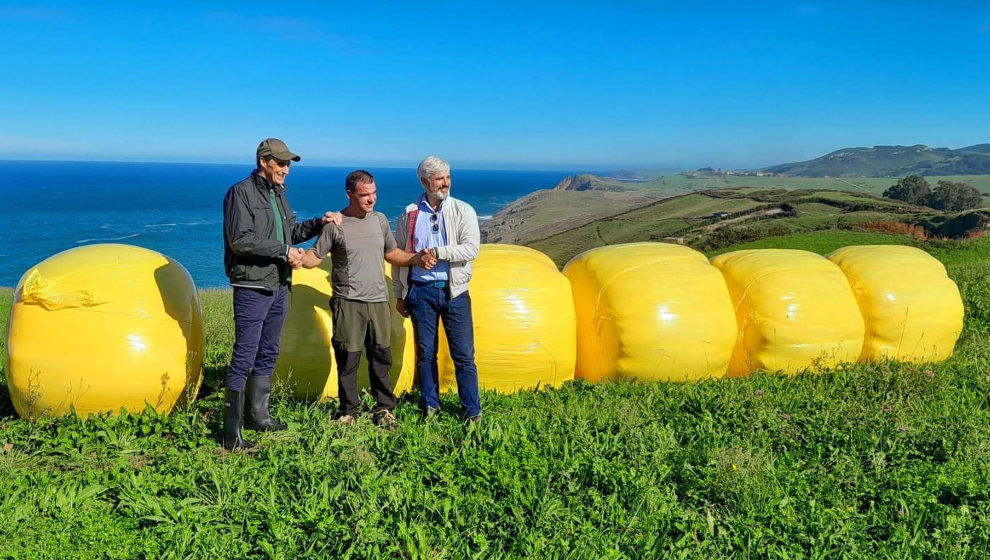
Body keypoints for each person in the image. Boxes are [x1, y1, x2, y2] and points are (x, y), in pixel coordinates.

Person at [221, 138, 342, 450]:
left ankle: (259, 416)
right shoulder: (241, 193)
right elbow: (240, 240)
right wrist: (284, 250)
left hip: (278, 283)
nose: (287, 169)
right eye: (282, 163)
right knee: (245, 353)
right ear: (264, 161)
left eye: (289, 164)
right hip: (252, 284)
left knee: (269, 351)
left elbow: (293, 233)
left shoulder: (278, 195)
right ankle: (231, 431)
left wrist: (320, 222)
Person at [298, 170, 435, 428]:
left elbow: (392, 253)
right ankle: (348, 411)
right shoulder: (334, 225)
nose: (371, 200)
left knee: (381, 357)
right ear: (350, 194)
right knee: (348, 358)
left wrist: (416, 258)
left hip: (378, 302)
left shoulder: (380, 220)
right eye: (365, 195)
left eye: (374, 193)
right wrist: (294, 257)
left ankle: (384, 409)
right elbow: (314, 258)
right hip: (348, 302)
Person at [392, 156, 482, 422]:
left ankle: (472, 410)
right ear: (424, 181)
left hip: (455, 292)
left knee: (464, 355)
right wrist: (399, 294)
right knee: (426, 353)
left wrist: (437, 252)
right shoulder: (408, 215)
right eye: (439, 178)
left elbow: (471, 249)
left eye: (448, 177)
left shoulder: (463, 210)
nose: (445, 183)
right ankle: (430, 404)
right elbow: (398, 255)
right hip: (420, 292)